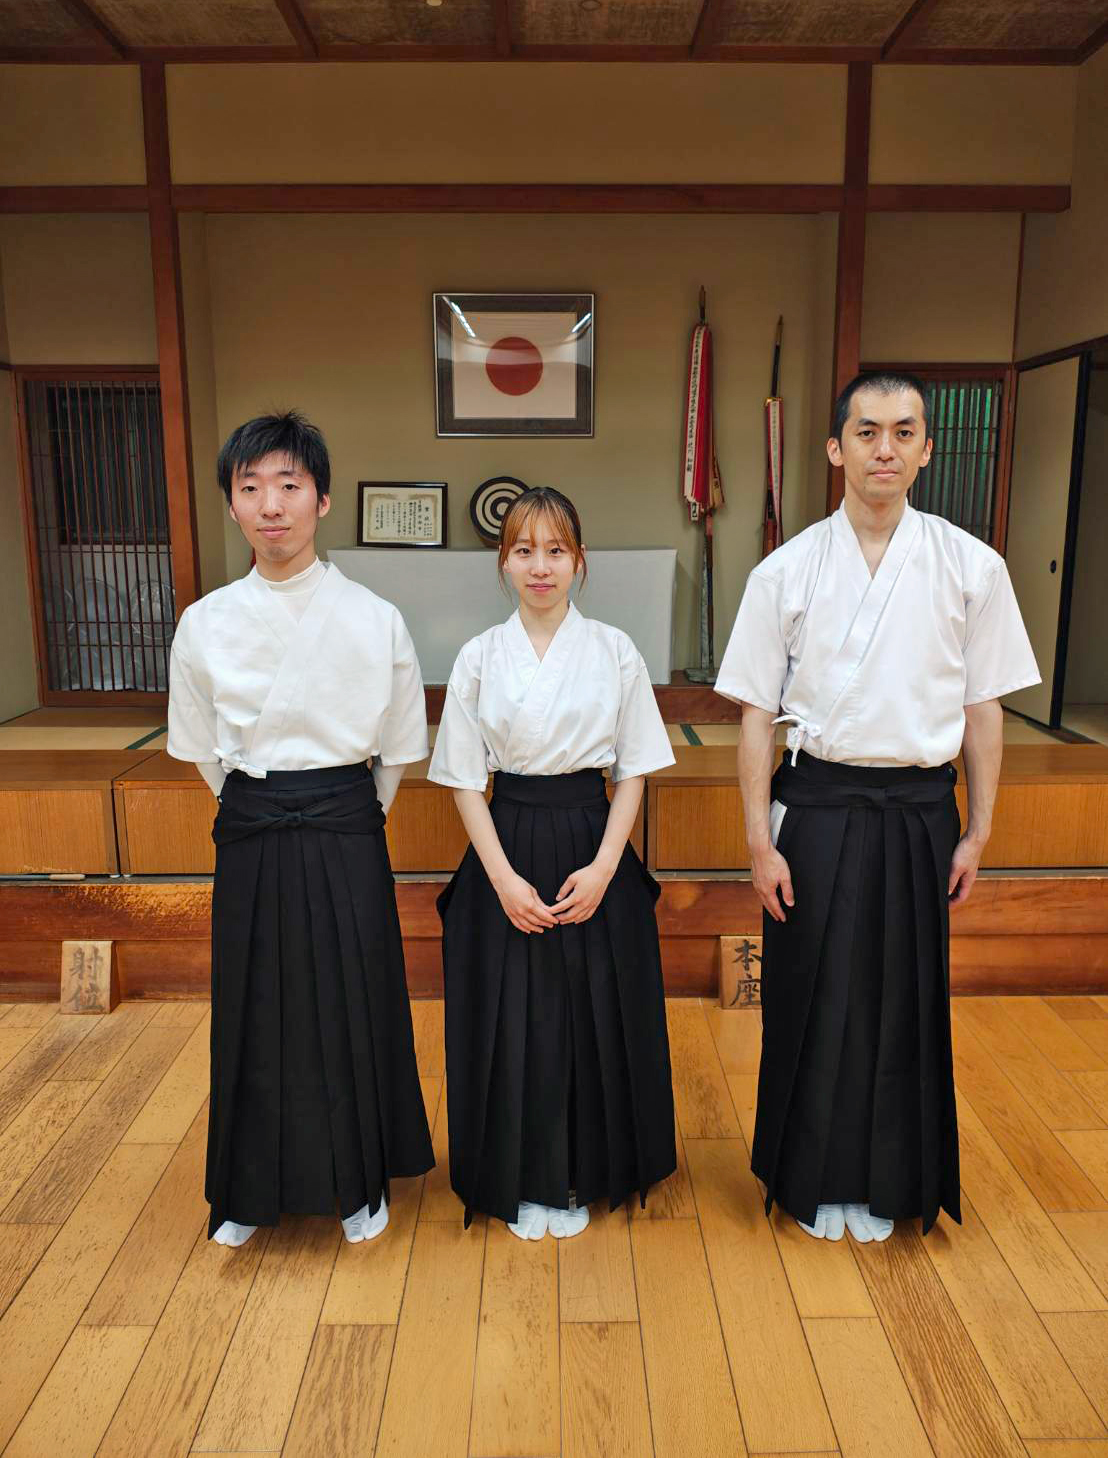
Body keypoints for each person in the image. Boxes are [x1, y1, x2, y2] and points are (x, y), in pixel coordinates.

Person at [715, 372, 1039, 1244]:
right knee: (809, 995)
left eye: (902, 432)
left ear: (927, 448)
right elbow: (755, 714)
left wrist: (980, 828)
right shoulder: (785, 570)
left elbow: (982, 708)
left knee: (907, 998)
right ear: (836, 448)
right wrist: (758, 840)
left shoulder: (972, 566)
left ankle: (895, 1182)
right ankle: (810, 1179)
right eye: (866, 432)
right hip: (817, 804)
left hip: (920, 808)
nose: (884, 449)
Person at [167, 411, 433, 1247]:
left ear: (321, 498)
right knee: (252, 1002)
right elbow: (200, 747)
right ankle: (247, 1192)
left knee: (352, 996)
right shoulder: (205, 622)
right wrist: (258, 801)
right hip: (252, 820)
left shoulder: (373, 616)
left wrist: (347, 809)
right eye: (250, 488)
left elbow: (398, 747)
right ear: (232, 504)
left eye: (289, 484)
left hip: (345, 820)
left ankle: (358, 1184)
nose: (270, 505)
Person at [429, 487, 677, 1241]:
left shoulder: (615, 650)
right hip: (505, 840)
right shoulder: (479, 656)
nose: (541, 566)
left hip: (592, 838)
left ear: (579, 561)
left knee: (592, 1012)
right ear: (503, 563)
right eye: (524, 550)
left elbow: (633, 770)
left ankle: (589, 1171)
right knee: (516, 1017)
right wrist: (502, 879)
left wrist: (605, 868)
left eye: (556, 550)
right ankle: (518, 1175)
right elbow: (465, 780)